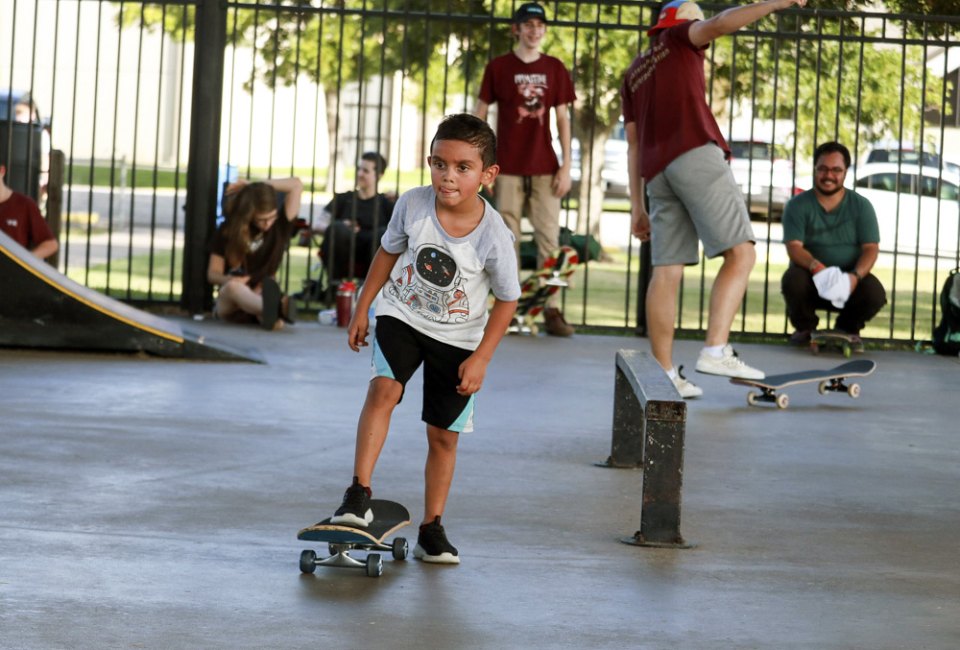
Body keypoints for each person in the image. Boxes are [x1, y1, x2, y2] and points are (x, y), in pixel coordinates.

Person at [329, 113, 520, 565]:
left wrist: (482, 360)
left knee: (443, 436)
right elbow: (387, 252)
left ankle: (432, 529)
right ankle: (358, 494)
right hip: (401, 314)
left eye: (462, 167)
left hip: (458, 339)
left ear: (487, 175)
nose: (447, 176)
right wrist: (363, 306)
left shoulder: (495, 235)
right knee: (383, 389)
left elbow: (508, 300)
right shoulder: (413, 206)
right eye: (439, 163)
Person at [621, 0, 805, 398]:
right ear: (683, 23)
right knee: (742, 254)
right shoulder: (679, 38)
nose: (701, 28)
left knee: (667, 270)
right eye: (696, 20)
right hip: (694, 156)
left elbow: (633, 144)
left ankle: (665, 374)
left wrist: (637, 205)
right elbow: (721, 23)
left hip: (657, 175)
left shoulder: (634, 72)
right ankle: (716, 349)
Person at [473, 1, 577, 337]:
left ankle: (551, 308)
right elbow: (481, 113)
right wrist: (480, 161)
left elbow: (562, 118)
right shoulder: (499, 67)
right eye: (528, 25)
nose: (534, 31)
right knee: (507, 238)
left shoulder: (555, 68)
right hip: (507, 166)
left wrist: (566, 164)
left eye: (540, 25)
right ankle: (511, 309)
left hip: (545, 165)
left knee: (549, 238)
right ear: (516, 29)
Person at [781, 141, 886, 344]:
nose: (829, 176)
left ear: (846, 172)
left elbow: (871, 248)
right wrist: (817, 268)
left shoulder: (862, 206)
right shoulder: (797, 205)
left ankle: (846, 329)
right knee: (793, 279)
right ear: (815, 169)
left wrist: (855, 277)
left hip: (850, 279)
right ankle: (805, 329)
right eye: (823, 169)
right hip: (811, 276)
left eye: (836, 170)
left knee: (875, 292)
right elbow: (793, 247)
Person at [206, 176, 303, 330]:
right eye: (261, 220)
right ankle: (276, 310)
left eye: (272, 217)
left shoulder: (280, 226)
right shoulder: (228, 232)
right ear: (249, 216)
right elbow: (212, 274)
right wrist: (229, 279)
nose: (268, 223)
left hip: (261, 293)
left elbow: (296, 184)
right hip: (231, 302)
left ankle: (270, 312)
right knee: (233, 288)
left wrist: (252, 185)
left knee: (274, 322)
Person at [317, 151, 395, 282]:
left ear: (379, 175)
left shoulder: (386, 203)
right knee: (338, 228)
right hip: (342, 252)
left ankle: (371, 287)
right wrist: (342, 226)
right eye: (359, 169)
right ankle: (334, 285)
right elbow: (318, 224)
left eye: (365, 171)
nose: (359, 174)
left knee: (383, 234)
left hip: (372, 253)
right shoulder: (342, 199)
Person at [0, 161, 58, 260]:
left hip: (11, 274)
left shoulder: (24, 204)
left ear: (2, 170)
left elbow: (51, 244)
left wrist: (25, 261)